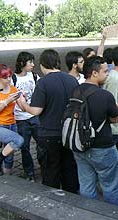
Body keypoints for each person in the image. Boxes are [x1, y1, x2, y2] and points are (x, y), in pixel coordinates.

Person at [18, 49, 79, 193]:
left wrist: (23, 104)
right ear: (57, 62)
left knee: (51, 171)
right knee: (70, 169)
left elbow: (36, 110)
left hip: (49, 134)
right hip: (69, 132)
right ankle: (73, 198)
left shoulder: (43, 83)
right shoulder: (72, 80)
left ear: (43, 65)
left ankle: (53, 202)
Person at [73, 56, 118, 206]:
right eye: (105, 71)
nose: (107, 74)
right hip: (103, 147)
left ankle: (90, 213)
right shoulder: (105, 95)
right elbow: (114, 118)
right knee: (111, 186)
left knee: (86, 185)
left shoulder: (75, 90)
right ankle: (112, 215)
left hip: (79, 145)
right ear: (94, 73)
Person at [5, 52, 40, 181]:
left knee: (42, 143)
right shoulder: (13, 79)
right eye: (30, 62)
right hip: (20, 119)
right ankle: (29, 172)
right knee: (24, 147)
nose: (33, 64)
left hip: (35, 116)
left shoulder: (35, 76)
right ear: (21, 63)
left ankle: (44, 166)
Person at [0, 64, 24, 176]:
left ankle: (7, 177)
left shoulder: (13, 89)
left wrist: (22, 98)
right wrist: (6, 102)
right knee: (18, 140)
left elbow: (22, 107)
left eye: (10, 77)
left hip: (12, 125)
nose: (8, 80)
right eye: (5, 77)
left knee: (10, 155)